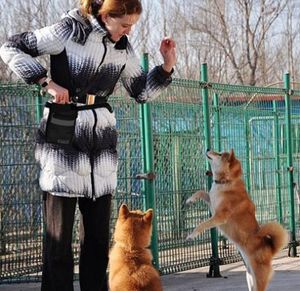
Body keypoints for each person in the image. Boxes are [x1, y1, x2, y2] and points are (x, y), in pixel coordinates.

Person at [0, 0, 176, 290]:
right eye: (124, 24)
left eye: (132, 25)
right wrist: (46, 82)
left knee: (96, 243)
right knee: (58, 243)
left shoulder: (123, 48)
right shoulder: (69, 29)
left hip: (101, 147)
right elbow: (10, 47)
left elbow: (141, 91)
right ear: (106, 16)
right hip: (64, 140)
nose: (128, 31)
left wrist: (166, 66)